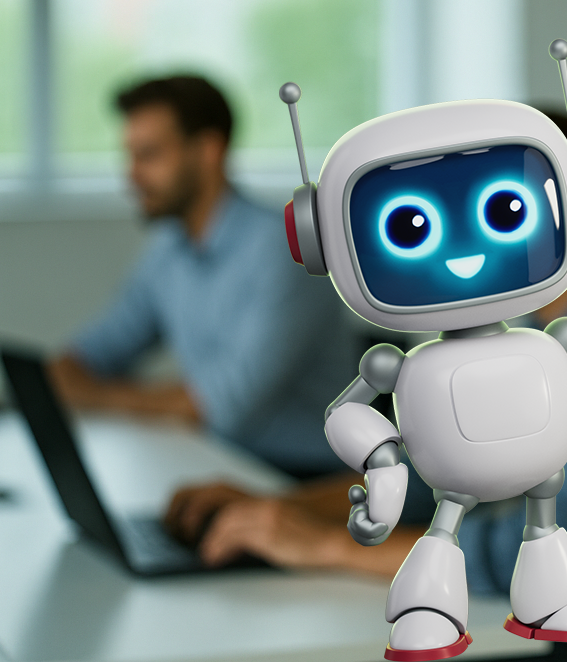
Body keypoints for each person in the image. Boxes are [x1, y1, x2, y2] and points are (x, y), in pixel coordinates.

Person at [165, 111, 567, 662]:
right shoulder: (517, 321)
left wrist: (323, 547)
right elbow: (437, 472)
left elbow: (558, 536)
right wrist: (277, 510)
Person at [49, 75, 358, 477]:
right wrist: (57, 381)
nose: (132, 175)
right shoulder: (169, 249)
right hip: (218, 460)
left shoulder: (285, 252)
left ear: (209, 150)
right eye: (130, 156)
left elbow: (222, 408)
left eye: (150, 155)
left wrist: (89, 395)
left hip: (301, 478)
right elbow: (100, 348)